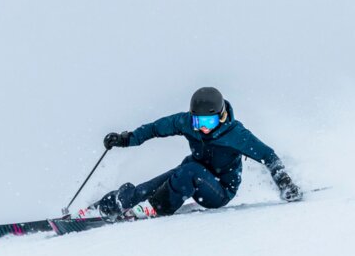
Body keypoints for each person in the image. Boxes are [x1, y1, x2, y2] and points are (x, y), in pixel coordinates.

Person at [89, 87, 302, 221]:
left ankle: (154, 208)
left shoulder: (236, 134)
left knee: (189, 171)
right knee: (157, 183)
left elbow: (268, 155)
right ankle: (108, 205)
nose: (203, 128)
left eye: (209, 121)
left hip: (219, 190)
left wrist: (285, 182)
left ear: (222, 115)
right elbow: (155, 128)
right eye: (199, 121)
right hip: (191, 174)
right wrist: (126, 139)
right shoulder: (187, 123)